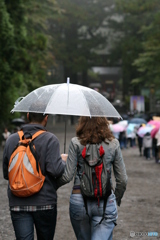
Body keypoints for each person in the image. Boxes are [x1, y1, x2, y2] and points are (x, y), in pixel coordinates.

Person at [57, 116, 128, 240]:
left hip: (79, 200)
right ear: (104, 123)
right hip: (105, 200)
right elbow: (122, 179)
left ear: (82, 123)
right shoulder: (113, 144)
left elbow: (67, 177)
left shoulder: (75, 142)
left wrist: (51, 187)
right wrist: (115, 198)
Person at [3, 112, 66, 240]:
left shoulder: (12, 139)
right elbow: (56, 171)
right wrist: (63, 161)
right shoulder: (50, 139)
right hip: (45, 202)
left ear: (27, 116)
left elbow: (6, 174)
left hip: (18, 203)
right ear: (46, 118)